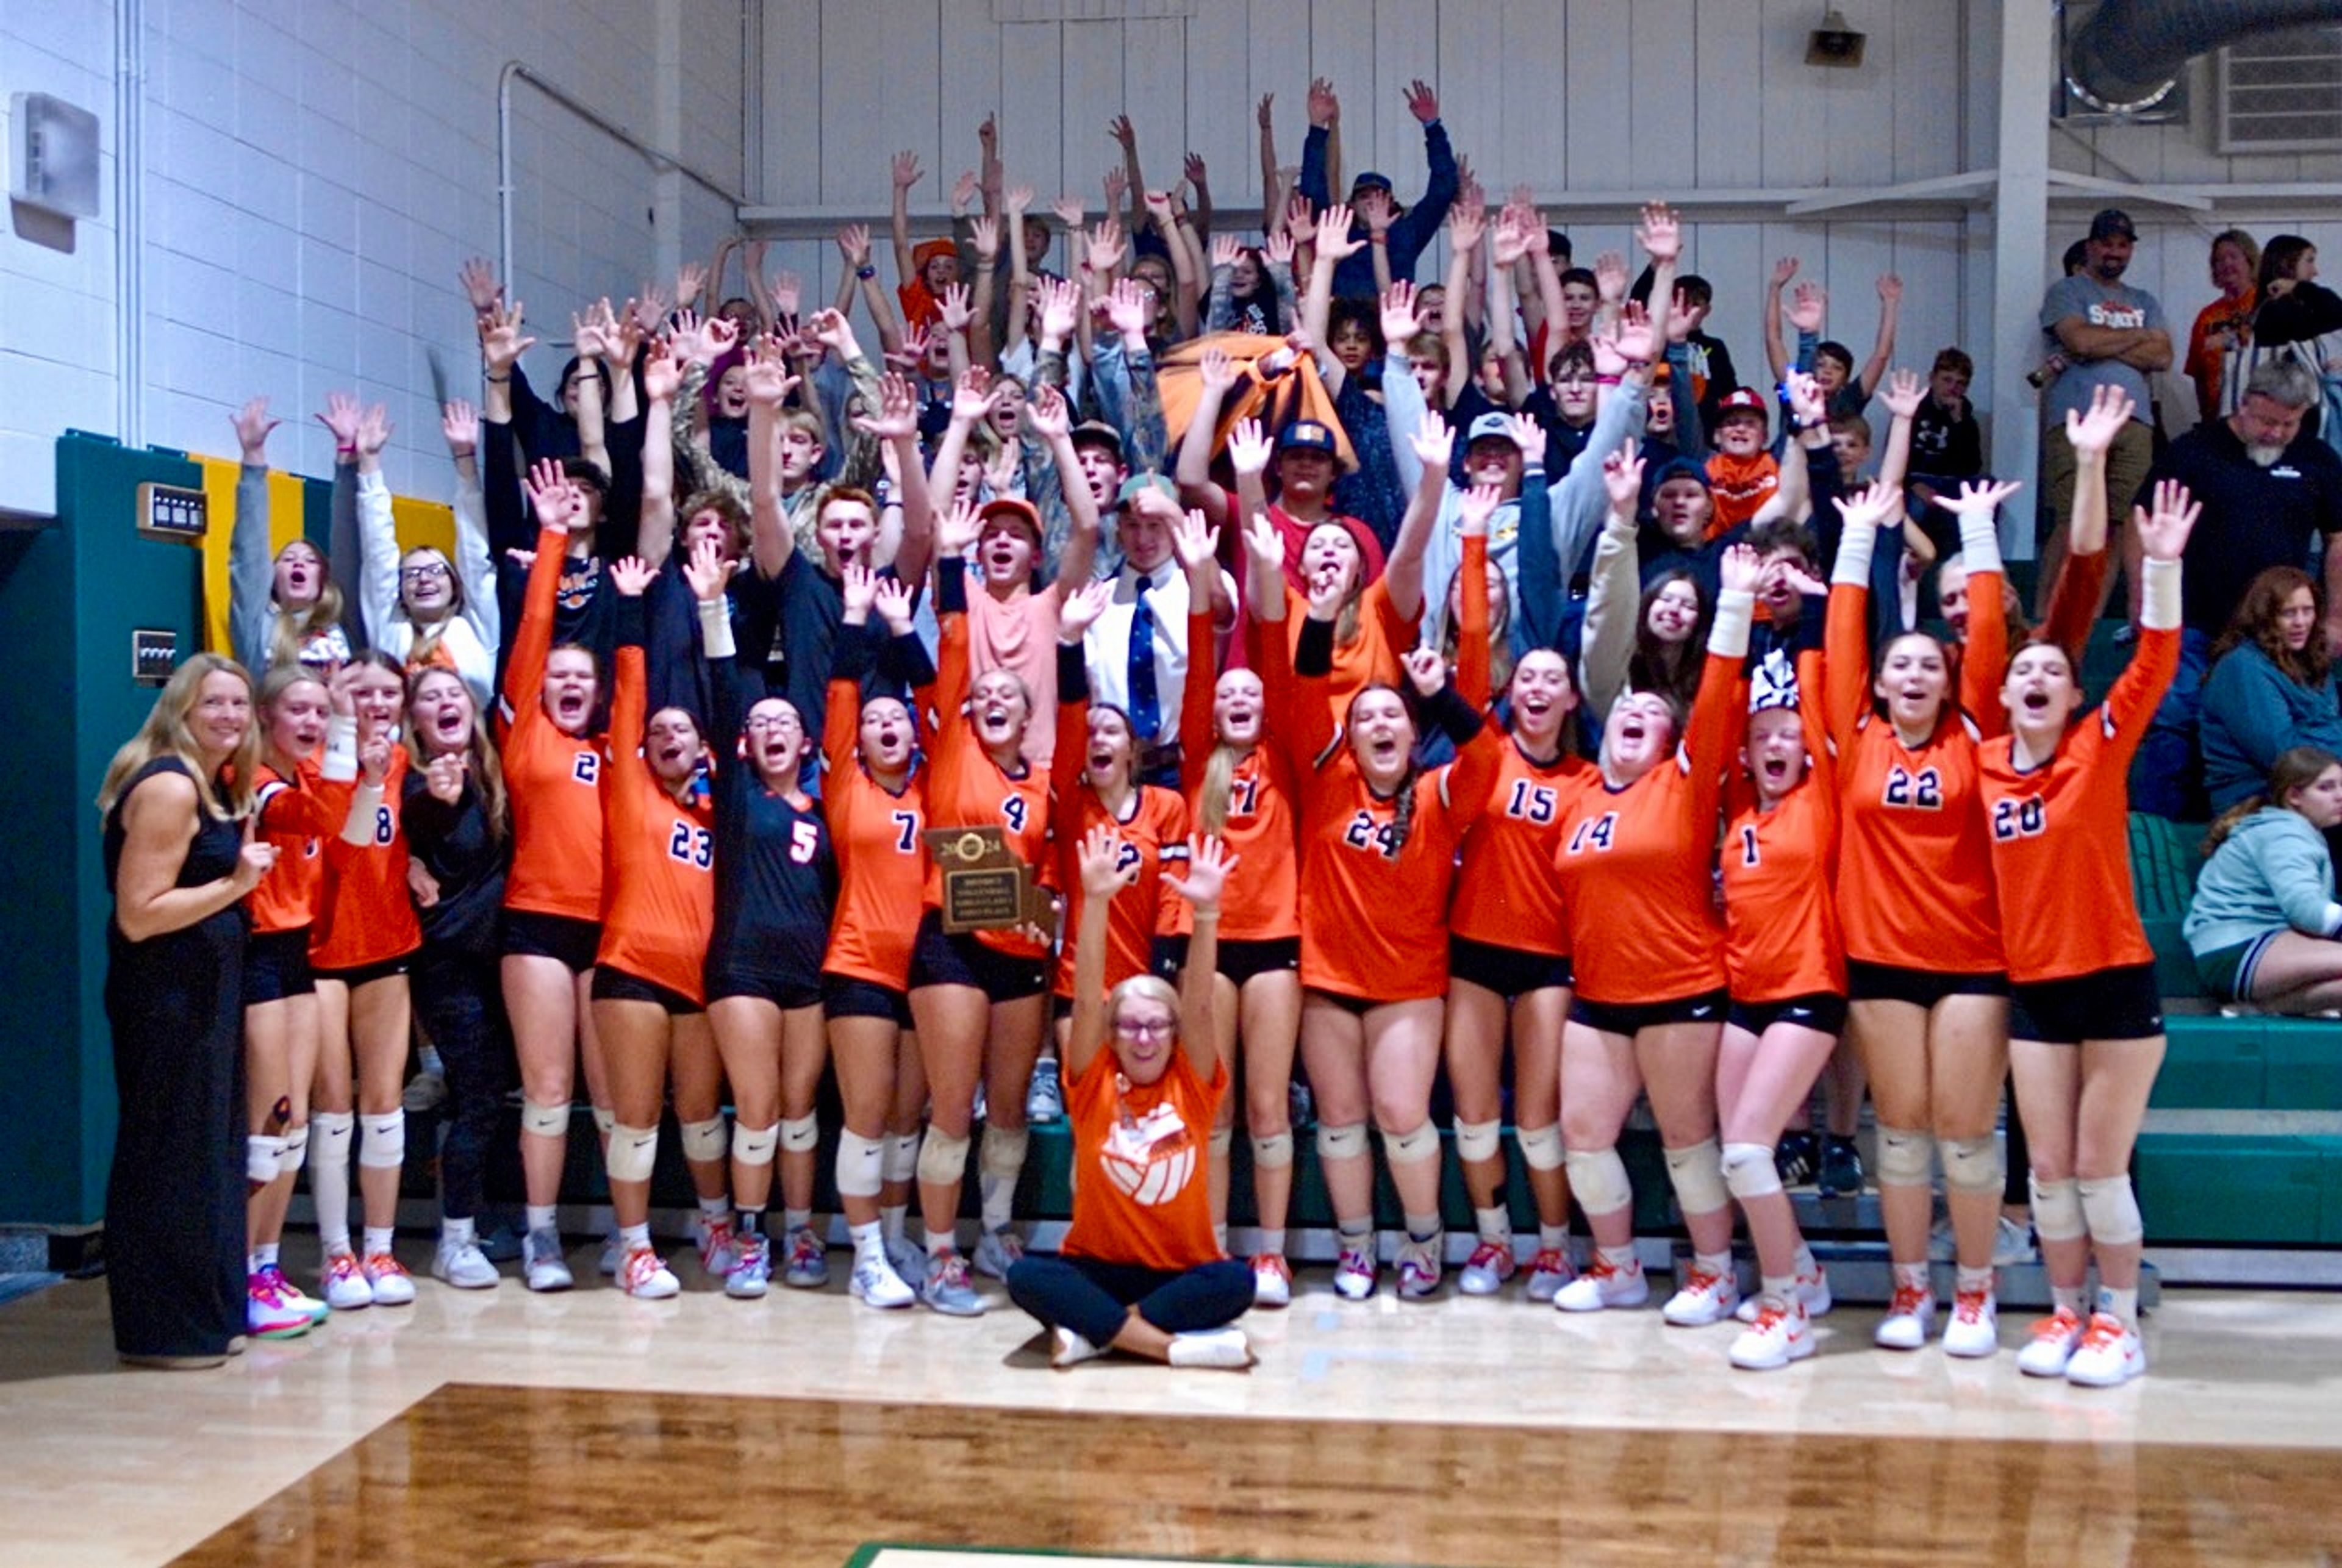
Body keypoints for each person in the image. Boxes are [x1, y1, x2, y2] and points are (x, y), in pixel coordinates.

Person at [1983, 478, 2197, 1387]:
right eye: (2022, 669)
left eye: (2052, 672)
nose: (2036, 677)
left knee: (2100, 1170)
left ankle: (2117, 1319)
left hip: (2113, 980)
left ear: (2075, 696)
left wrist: (2160, 568)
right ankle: (2063, 1311)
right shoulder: (1985, 765)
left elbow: (2153, 657)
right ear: (2002, 692)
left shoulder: (2097, 748)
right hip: (2034, 988)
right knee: (2050, 1170)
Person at [1270, 512, 1502, 1300]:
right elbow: (1303, 688)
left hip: (1408, 981)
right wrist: (1323, 605)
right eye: (1364, 715)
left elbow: (1488, 755)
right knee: (1338, 1116)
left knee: (1403, 1112)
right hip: (1329, 974)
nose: (1376, 723)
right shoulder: (1326, 777)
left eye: (1392, 716)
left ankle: (1425, 1241)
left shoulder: (1440, 793)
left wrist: (1440, 693)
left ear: (1412, 733)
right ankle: (1357, 1246)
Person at [1824, 476, 2016, 1356]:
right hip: (1882, 960)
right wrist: (1858, 539)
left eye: (1927, 664)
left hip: (1974, 957)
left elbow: (1987, 638)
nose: (1911, 673)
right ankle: (1911, 1290)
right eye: (1899, 662)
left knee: (1966, 1131)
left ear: (1949, 679)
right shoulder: (1856, 732)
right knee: (1899, 1133)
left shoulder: (1974, 729)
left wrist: (1976, 528)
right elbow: (1840, 645)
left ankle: (1973, 1293)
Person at [1548, 546, 1758, 1323]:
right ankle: (1618, 1266)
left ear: (1672, 739)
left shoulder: (1685, 786)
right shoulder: (1578, 800)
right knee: (1585, 1136)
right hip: (1597, 997)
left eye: (1654, 716)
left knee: (1687, 1140)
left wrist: (1734, 605)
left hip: (1681, 991)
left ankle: (1713, 1272)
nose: (1636, 716)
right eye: (1626, 712)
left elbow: (1716, 702)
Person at [907, 503, 1082, 1314]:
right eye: (984, 694)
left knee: (1008, 1108)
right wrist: (948, 562)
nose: (995, 696)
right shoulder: (952, 753)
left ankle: (995, 1229)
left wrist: (1071, 648)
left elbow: (1073, 739)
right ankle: (940, 1252)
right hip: (951, 945)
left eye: (1012, 691)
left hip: (1021, 957)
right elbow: (951, 652)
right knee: (952, 1107)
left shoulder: (1044, 779)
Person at [1003, 826, 1256, 1369]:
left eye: (1157, 1026)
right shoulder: (1092, 1081)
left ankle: (1096, 1332)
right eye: (1131, 1027)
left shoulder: (1193, 1081)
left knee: (1237, 1280)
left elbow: (1204, 1006)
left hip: (1179, 1270)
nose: (1144, 1038)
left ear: (1174, 1032)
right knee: (1025, 1275)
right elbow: (1088, 994)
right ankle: (1167, 1346)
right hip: (1098, 1265)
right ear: (1113, 1036)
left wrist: (1207, 916)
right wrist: (1095, 902)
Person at [98, 655, 276, 1367]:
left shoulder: (207, 781)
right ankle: (164, 1329)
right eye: (215, 704)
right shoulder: (171, 786)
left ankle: (208, 1316)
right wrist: (237, 884)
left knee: (205, 1155)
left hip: (204, 994)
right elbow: (140, 916)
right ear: (182, 708)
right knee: (167, 1155)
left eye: (240, 704)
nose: (230, 716)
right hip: (165, 1000)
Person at [1443, 487, 1592, 1300]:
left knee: (1538, 1119)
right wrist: (1471, 541)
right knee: (1473, 1115)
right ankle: (1495, 1240)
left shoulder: (1590, 781)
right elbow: (1474, 644)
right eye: (1525, 676)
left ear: (1571, 699)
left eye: (1551, 679)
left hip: (1548, 964)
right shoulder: (1487, 750)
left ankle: (1555, 1245)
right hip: (1472, 953)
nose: (1535, 686)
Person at [594, 543, 732, 1300]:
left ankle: (715, 1224)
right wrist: (631, 611)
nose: (668, 736)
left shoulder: (720, 811)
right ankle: (636, 1247)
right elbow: (628, 701)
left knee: (702, 1115)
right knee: (638, 1117)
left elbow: (721, 700)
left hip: (701, 980)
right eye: (657, 734)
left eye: (682, 731)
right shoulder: (631, 792)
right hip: (631, 972)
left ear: (704, 747)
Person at [1183, 517, 1306, 1306]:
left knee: (1267, 1104)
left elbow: (1271, 655)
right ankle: (1214, 1245)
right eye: (1228, 694)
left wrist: (1261, 571)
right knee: (1215, 1102)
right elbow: (1203, 661)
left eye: (1248, 693)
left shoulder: (1288, 751)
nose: (1234, 699)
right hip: (1211, 943)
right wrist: (1202, 578)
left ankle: (1272, 1252)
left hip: (1275, 944)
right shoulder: (1201, 754)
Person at [2133, 358, 2342, 818]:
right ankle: (2154, 832)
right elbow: (2142, 523)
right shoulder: (2194, 451)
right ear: (2244, 403)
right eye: (2266, 421)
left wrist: (2336, 615)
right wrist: (2142, 604)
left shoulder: (2317, 459)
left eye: (2289, 424)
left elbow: (2337, 540)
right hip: (2194, 621)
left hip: (2277, 634)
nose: (2275, 434)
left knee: (2292, 731)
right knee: (2171, 723)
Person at [496, 465, 613, 1292]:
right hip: (536, 925)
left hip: (611, 931)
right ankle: (542, 1236)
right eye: (560, 678)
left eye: (585, 678)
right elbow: (537, 624)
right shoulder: (523, 733)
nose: (570, 685)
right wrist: (553, 537)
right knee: (548, 1086)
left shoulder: (619, 750)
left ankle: (625, 1229)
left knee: (613, 1090)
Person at [1716, 634, 1846, 1369]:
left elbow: (1822, 707)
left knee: (1748, 1151)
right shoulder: (1739, 811)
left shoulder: (1817, 801)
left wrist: (1800, 627)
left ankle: (1786, 1308)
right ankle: (1804, 1269)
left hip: (1809, 990)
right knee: (1734, 1155)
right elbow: (1724, 709)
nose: (1776, 744)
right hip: (1746, 997)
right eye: (1762, 736)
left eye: (1789, 736)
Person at [823, 568, 936, 1308]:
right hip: (859, 965)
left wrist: (906, 635)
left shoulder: (935, 787)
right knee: (866, 1120)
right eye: (874, 720)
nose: (887, 725)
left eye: (897, 719)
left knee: (905, 1121)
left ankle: (894, 1237)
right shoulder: (845, 786)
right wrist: (860, 618)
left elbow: (933, 702)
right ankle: (865, 1256)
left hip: (926, 970)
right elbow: (839, 695)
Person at [239, 666, 359, 1338]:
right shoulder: (256, 785)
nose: (311, 723)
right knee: (267, 1122)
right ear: (265, 715)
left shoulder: (305, 776)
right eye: (300, 711)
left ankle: (266, 1265)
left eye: (321, 713)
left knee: (295, 1120)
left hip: (298, 955)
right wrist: (346, 728)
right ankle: (239, 1272)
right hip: (258, 952)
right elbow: (324, 819)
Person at [307, 652, 422, 1313]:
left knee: (384, 1104)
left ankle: (380, 1247)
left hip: (386, 947)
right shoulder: (312, 761)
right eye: (361, 691)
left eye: (387, 693)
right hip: (322, 951)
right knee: (333, 1107)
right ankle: (335, 1253)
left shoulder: (409, 763)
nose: (376, 703)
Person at [401, 666, 515, 1290]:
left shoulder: (496, 776)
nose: (446, 703)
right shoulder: (417, 790)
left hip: (507, 962)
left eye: (454, 695)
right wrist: (430, 815)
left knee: (496, 1098)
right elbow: (386, 845)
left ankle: (491, 1220)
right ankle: (456, 1238)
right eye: (429, 699)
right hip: (451, 968)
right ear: (415, 721)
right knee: (476, 1099)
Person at [2035, 208, 2170, 622]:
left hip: (2135, 423)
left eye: (2123, 244)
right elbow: (2078, 339)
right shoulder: (2068, 291)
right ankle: (2043, 618)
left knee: (2117, 522)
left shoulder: (2144, 299)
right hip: (2078, 420)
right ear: (2092, 246)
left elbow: (2163, 355)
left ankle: (2086, 620)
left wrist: (2099, 343)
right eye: (2107, 243)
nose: (2115, 251)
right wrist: (2138, 337)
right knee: (2072, 518)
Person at [356, 400, 498, 706]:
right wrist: (369, 464)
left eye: (435, 571)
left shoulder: (475, 627)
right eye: (413, 574)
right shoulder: (390, 628)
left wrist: (466, 460)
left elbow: (475, 554)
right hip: (404, 750)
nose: (424, 580)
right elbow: (378, 553)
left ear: (455, 585)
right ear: (401, 590)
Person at [2187, 746, 2342, 1013]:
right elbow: (2305, 910)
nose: (2340, 796)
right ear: (2294, 796)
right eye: (2326, 788)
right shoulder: (2284, 834)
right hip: (2238, 947)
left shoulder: (2292, 830)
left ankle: (2254, 1008)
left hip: (2245, 946)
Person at [1297, 76, 1457, 298]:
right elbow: (1312, 191)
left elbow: (1444, 188)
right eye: (1364, 196)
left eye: (1380, 196)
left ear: (1391, 202)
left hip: (1392, 328)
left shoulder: (1406, 233)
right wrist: (1317, 128)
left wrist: (1433, 127)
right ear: (1351, 205)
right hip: (1343, 329)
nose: (1372, 201)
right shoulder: (1337, 232)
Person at [2200, 567, 2342, 814]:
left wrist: (2310, 732)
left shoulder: (2312, 661)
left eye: (2307, 611)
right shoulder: (2242, 667)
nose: (2300, 622)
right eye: (2288, 613)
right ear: (2265, 616)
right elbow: (2285, 757)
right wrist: (2324, 733)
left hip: (2321, 794)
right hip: (2255, 805)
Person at [227, 398, 353, 675]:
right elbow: (249, 554)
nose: (298, 564)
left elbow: (350, 544)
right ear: (272, 578)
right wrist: (253, 457)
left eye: (310, 561)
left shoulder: (341, 624)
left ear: (324, 577)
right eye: (288, 559)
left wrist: (348, 458)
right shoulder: (256, 626)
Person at [2184, 229, 2260, 423]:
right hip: (2220, 418)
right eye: (2219, 260)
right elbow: (2198, 374)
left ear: (2250, 260)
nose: (2226, 264)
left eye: (2233, 257)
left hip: (2261, 415)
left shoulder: (2266, 306)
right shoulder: (2207, 316)